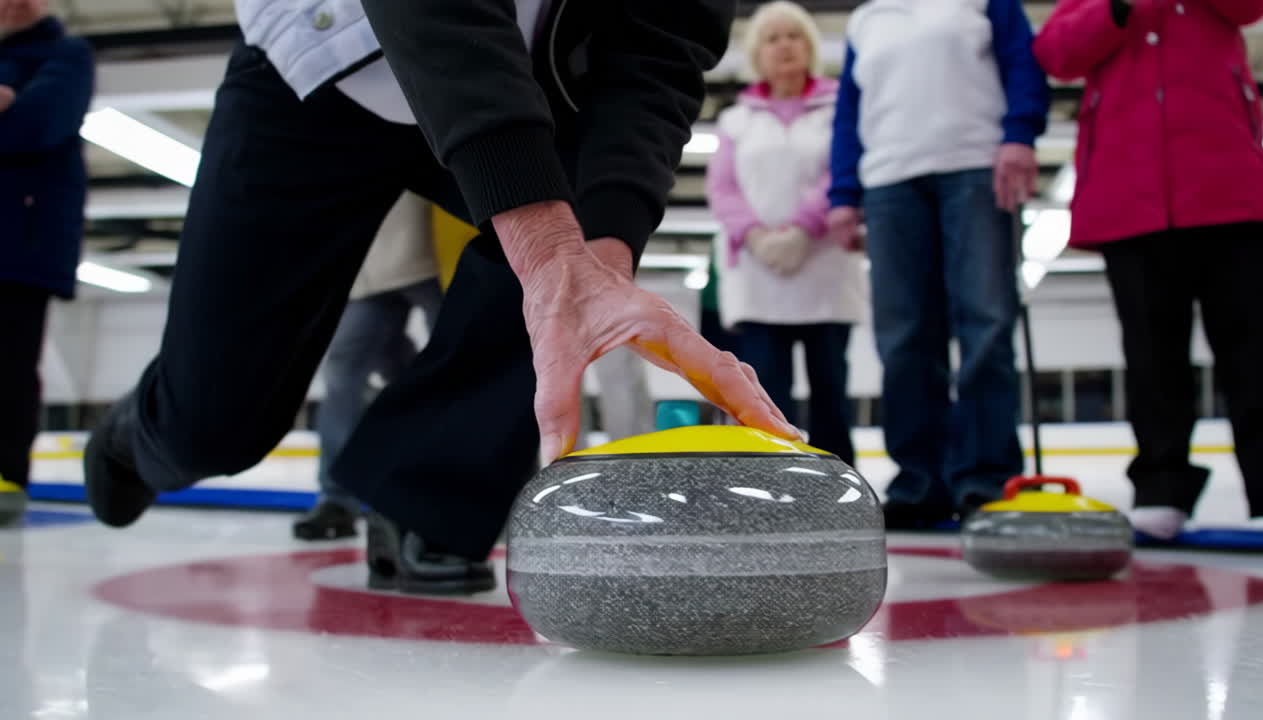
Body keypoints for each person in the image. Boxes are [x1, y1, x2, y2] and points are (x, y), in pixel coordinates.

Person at [83, 0, 795, 593]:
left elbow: (660, 45)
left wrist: (598, 261)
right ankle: (141, 439)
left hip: (526, 79)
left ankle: (421, 496)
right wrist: (547, 250)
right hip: (318, 67)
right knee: (213, 426)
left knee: (573, 262)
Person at [1035, 0, 1263, 547]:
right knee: (1151, 356)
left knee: (1257, 354)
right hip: (1132, 197)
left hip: (1231, 190)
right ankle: (1161, 490)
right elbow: (1056, 53)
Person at [828, 0, 1050, 527]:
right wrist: (843, 191)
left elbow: (1023, 63)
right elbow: (848, 111)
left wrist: (1020, 134)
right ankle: (920, 480)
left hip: (973, 167)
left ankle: (986, 477)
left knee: (986, 324)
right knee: (904, 338)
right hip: (888, 182)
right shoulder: (867, 18)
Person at [707, 1, 869, 465]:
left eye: (794, 36)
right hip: (759, 279)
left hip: (826, 270)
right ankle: (771, 480)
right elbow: (723, 189)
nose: (785, 46)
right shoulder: (735, 120)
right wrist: (757, 236)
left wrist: (802, 229)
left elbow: (842, 169)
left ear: (811, 47)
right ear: (758, 52)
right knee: (765, 394)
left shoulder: (839, 109)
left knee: (830, 390)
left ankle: (839, 484)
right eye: (773, 38)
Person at [294, 191, 444, 541]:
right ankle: (337, 498)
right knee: (346, 372)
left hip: (440, 240)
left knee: (461, 366)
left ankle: (464, 495)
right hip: (368, 259)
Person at [0, 0, 93, 526]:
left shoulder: (67, 54)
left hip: (22, 243)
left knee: (9, 365)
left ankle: (6, 478)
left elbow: (37, 126)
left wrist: (16, 107)